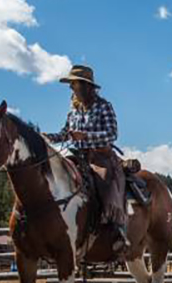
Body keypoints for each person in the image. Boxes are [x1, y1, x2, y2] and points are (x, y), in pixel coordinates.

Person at [47, 65, 129, 255]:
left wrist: (85, 136)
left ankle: (117, 230)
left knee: (103, 181)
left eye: (74, 84)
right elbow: (65, 134)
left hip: (100, 156)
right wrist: (49, 137)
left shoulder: (104, 106)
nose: (72, 89)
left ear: (86, 86)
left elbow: (111, 134)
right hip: (77, 156)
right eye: (71, 85)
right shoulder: (73, 111)